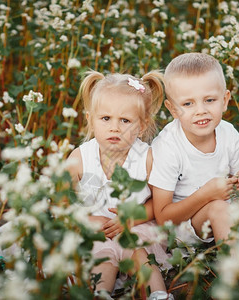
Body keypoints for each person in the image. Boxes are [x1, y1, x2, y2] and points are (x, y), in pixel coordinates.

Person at [148, 52, 239, 291]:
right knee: (217, 207)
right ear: (173, 109)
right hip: (184, 229)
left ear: (225, 99)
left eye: (210, 100)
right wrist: (207, 195)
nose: (201, 111)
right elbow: (163, 216)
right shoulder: (168, 146)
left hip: (223, 212)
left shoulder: (228, 133)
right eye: (188, 104)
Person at [66, 70, 173, 300]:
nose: (115, 127)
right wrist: (86, 221)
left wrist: (131, 218)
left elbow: (160, 203)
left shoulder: (147, 158)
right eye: (106, 119)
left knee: (140, 255)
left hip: (135, 228)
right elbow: (61, 204)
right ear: (90, 120)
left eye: (125, 120)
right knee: (102, 259)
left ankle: (158, 294)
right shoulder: (79, 158)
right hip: (97, 233)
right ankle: (101, 293)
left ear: (142, 126)